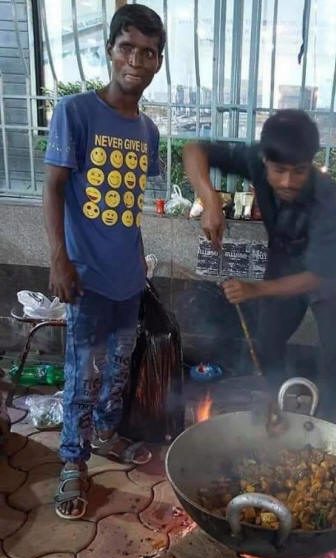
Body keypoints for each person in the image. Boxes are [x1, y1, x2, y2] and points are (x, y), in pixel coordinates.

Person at [43, 4, 165, 519]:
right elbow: (51, 188)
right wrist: (60, 260)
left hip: (128, 279)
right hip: (86, 277)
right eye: (127, 48)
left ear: (159, 62)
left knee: (117, 370)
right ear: (110, 50)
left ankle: (109, 434)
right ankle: (73, 460)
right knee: (82, 373)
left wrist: (140, 266)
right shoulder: (75, 112)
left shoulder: (149, 132)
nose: (136, 60)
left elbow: (130, 204)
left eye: (149, 52)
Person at [183, 110, 336, 415]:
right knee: (268, 340)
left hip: (327, 278)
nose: (288, 182)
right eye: (279, 170)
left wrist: (254, 289)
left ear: (311, 162)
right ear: (265, 160)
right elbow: (194, 150)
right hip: (282, 264)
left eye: (299, 171)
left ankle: (327, 425)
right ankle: (277, 410)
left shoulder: (330, 198)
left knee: (335, 355)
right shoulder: (255, 161)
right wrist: (209, 199)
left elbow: (318, 276)